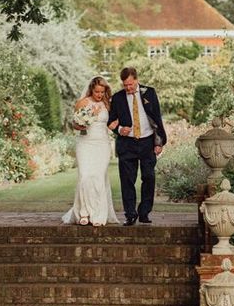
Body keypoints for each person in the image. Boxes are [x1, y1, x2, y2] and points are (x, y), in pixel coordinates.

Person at [107, 67, 167, 226]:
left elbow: (157, 119)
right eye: (125, 85)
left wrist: (159, 142)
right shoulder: (117, 98)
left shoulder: (150, 93)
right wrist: (120, 129)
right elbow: (111, 121)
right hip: (127, 144)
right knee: (127, 180)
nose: (128, 88)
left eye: (131, 84)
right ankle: (130, 214)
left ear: (136, 80)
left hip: (147, 141)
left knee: (149, 177)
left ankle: (144, 212)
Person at [62, 77, 119, 226]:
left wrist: (116, 124)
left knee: (99, 177)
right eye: (97, 91)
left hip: (102, 144)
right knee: (85, 176)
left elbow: (113, 122)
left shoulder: (107, 104)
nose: (99, 94)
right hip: (85, 143)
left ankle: (98, 214)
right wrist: (83, 123)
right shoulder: (83, 102)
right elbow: (75, 124)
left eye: (102, 91)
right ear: (91, 89)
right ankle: (84, 213)